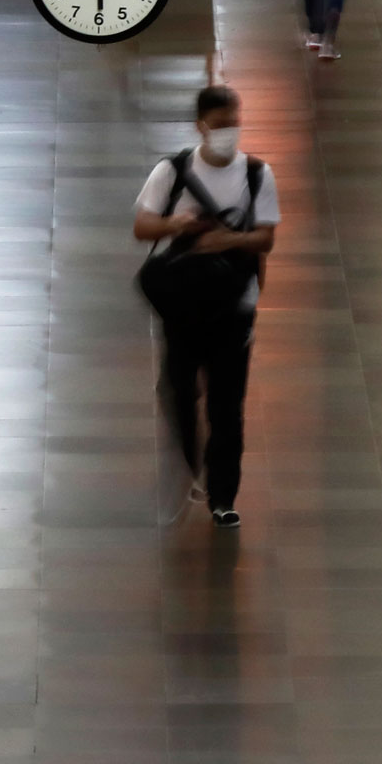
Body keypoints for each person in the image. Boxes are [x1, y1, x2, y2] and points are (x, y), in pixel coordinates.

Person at [133, 86, 281, 529]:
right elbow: (142, 226)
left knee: (227, 403)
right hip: (183, 307)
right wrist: (176, 222)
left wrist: (229, 239)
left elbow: (266, 238)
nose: (227, 132)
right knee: (180, 391)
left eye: (233, 123)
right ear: (200, 125)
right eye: (219, 125)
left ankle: (222, 495)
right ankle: (188, 465)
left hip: (234, 307)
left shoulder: (257, 175)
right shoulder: (172, 172)